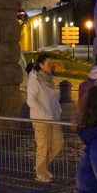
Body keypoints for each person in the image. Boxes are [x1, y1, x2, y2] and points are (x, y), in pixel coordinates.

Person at [26, 53, 62, 182]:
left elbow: (52, 98)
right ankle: (40, 172)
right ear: (41, 65)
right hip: (41, 119)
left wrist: (58, 110)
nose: (51, 65)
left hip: (53, 117)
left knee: (58, 142)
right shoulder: (34, 79)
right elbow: (31, 100)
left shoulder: (49, 78)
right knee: (43, 145)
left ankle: (41, 167)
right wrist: (43, 113)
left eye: (52, 63)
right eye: (49, 63)